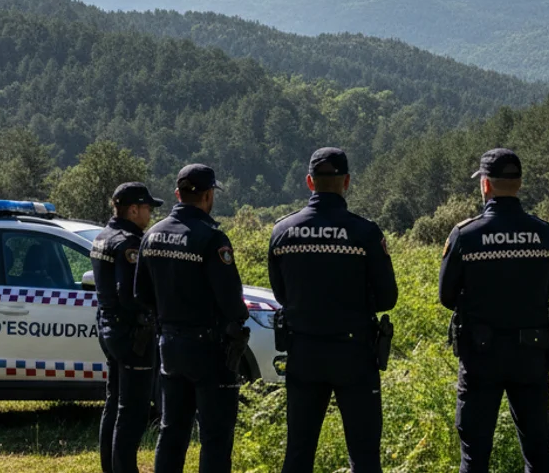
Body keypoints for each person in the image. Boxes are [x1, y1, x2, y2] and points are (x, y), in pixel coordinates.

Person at [268, 147, 398, 473]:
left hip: (303, 351)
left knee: (298, 451)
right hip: (354, 352)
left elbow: (281, 293)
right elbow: (387, 299)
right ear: (347, 182)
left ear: (309, 182)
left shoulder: (283, 231)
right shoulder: (365, 232)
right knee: (364, 453)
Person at [439, 148, 549, 473]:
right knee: (538, 454)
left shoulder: (466, 235)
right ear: (519, 183)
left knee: (475, 455)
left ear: (485, 185)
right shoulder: (544, 233)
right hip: (531, 353)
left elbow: (446, 295)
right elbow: (548, 285)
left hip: (481, 356)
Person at [135, 165, 249, 473]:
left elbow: (141, 294)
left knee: (171, 431)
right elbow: (230, 299)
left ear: (177, 194)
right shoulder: (211, 238)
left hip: (169, 344)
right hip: (210, 350)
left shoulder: (152, 235)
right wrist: (241, 317)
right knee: (215, 436)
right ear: (209, 195)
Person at [92, 182, 163, 473]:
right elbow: (130, 293)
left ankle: (110, 467)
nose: (150, 214)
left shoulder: (102, 236)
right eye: (147, 208)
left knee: (114, 402)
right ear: (133, 209)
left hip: (109, 327)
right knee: (132, 411)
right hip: (132, 333)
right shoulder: (129, 242)